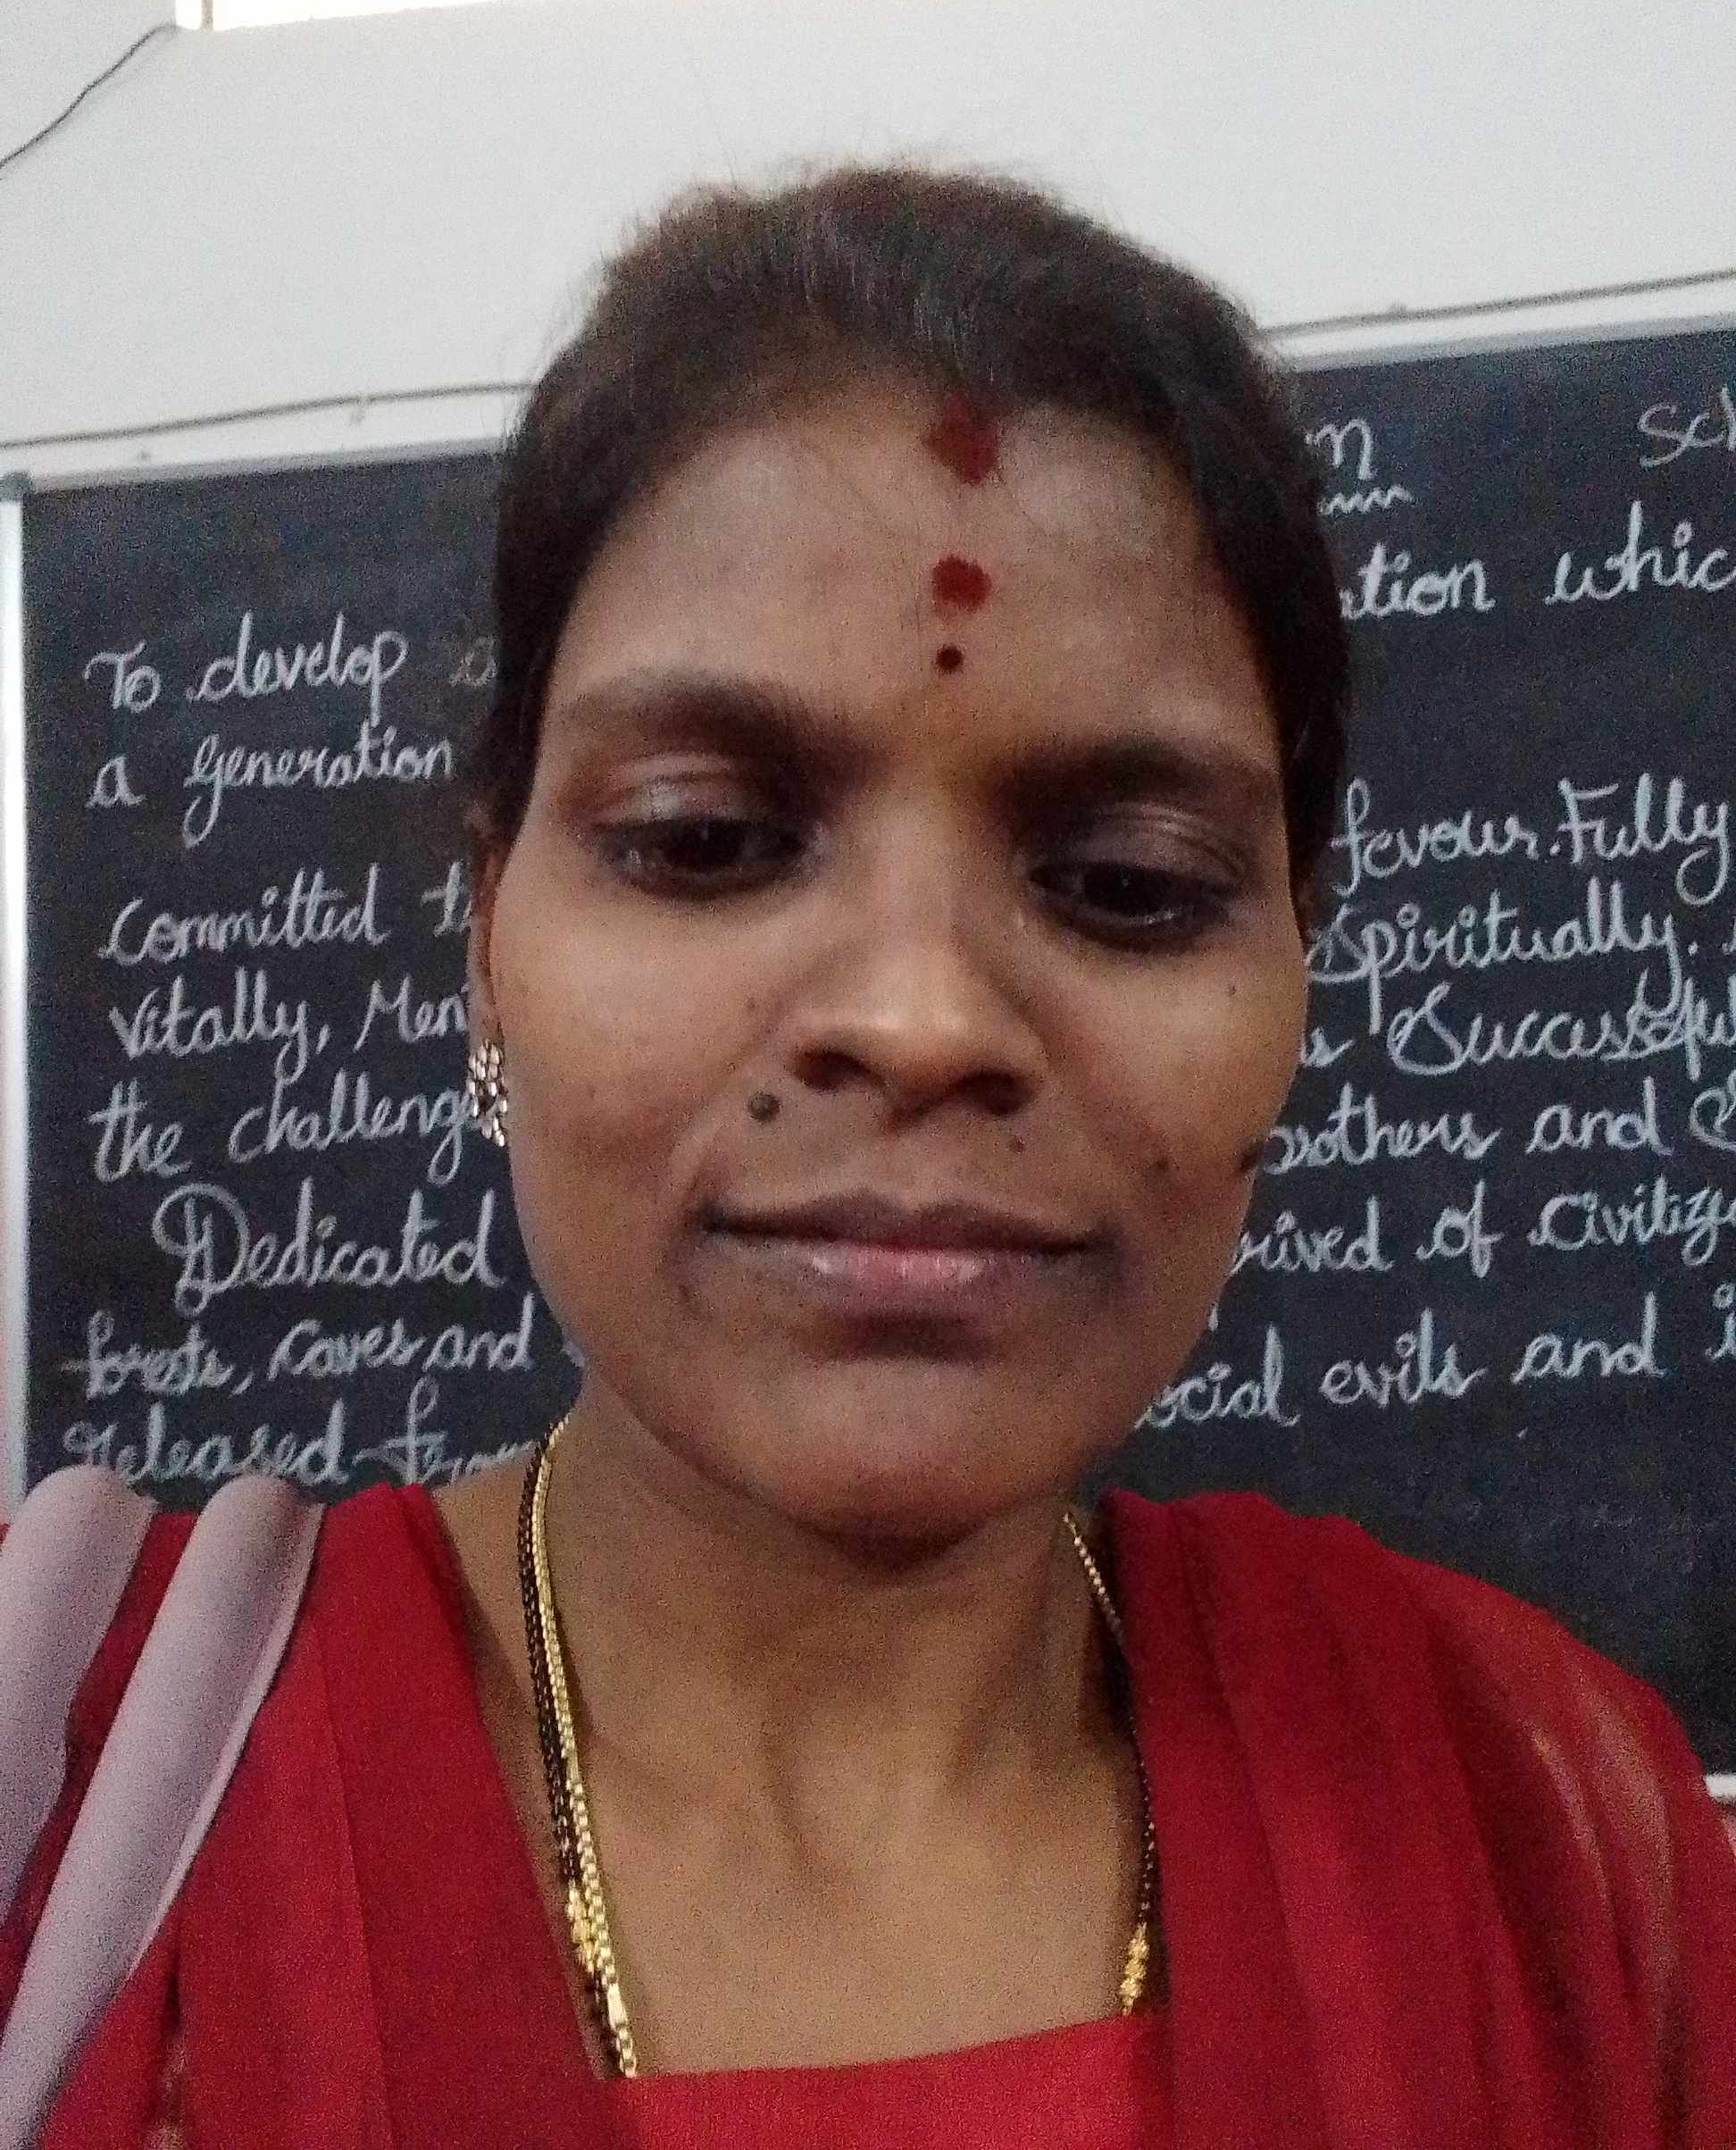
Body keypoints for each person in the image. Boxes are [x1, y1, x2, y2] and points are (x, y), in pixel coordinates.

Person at [4, 166, 1733, 2146]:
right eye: (706, 842)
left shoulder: (1551, 1843)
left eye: (1128, 882)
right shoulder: (70, 1784)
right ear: (488, 932)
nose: (920, 1022)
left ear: (1298, 963)